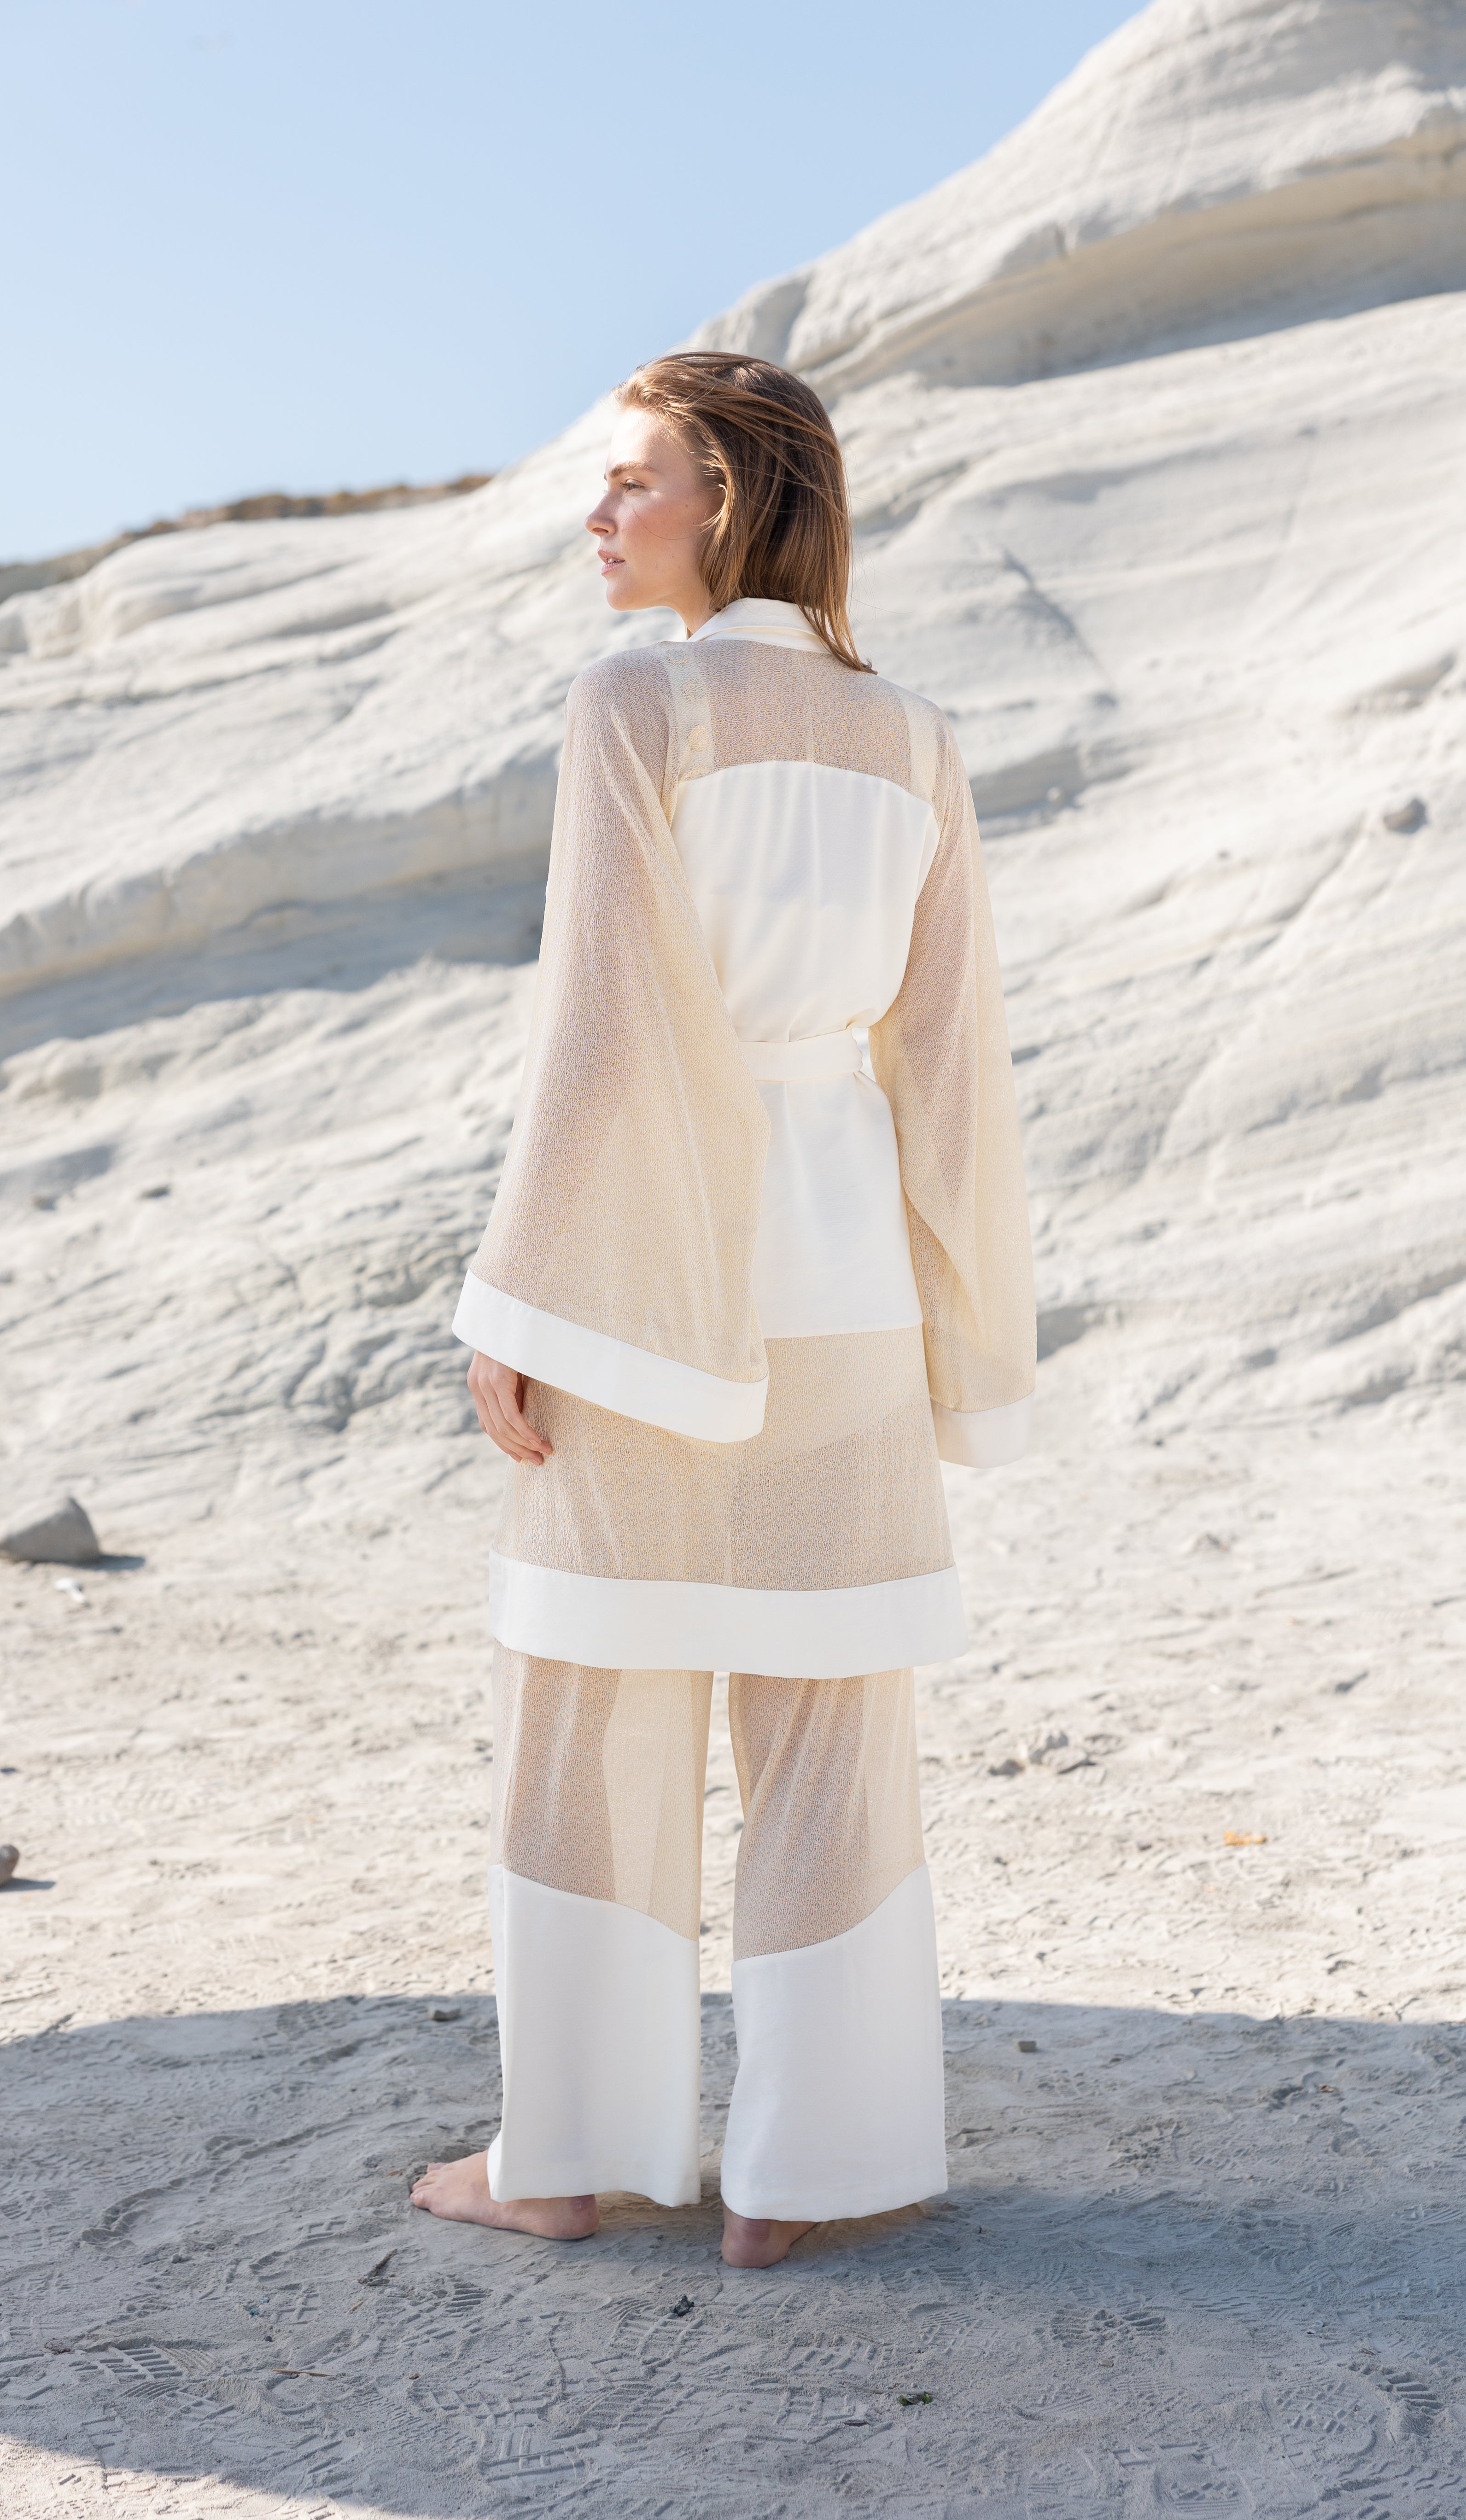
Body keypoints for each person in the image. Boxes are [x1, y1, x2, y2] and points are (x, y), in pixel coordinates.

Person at [412, 352, 1034, 2268]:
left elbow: (606, 1027)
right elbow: (951, 1066)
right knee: (834, 1730)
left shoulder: (640, 701)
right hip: (851, 1297)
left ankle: (562, 2160)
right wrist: (970, 1345)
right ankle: (808, 2178)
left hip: (651, 1289)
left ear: (737, 500)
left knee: (587, 1716)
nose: (599, 516)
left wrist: (521, 1301)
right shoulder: (917, 737)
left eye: (634, 483)